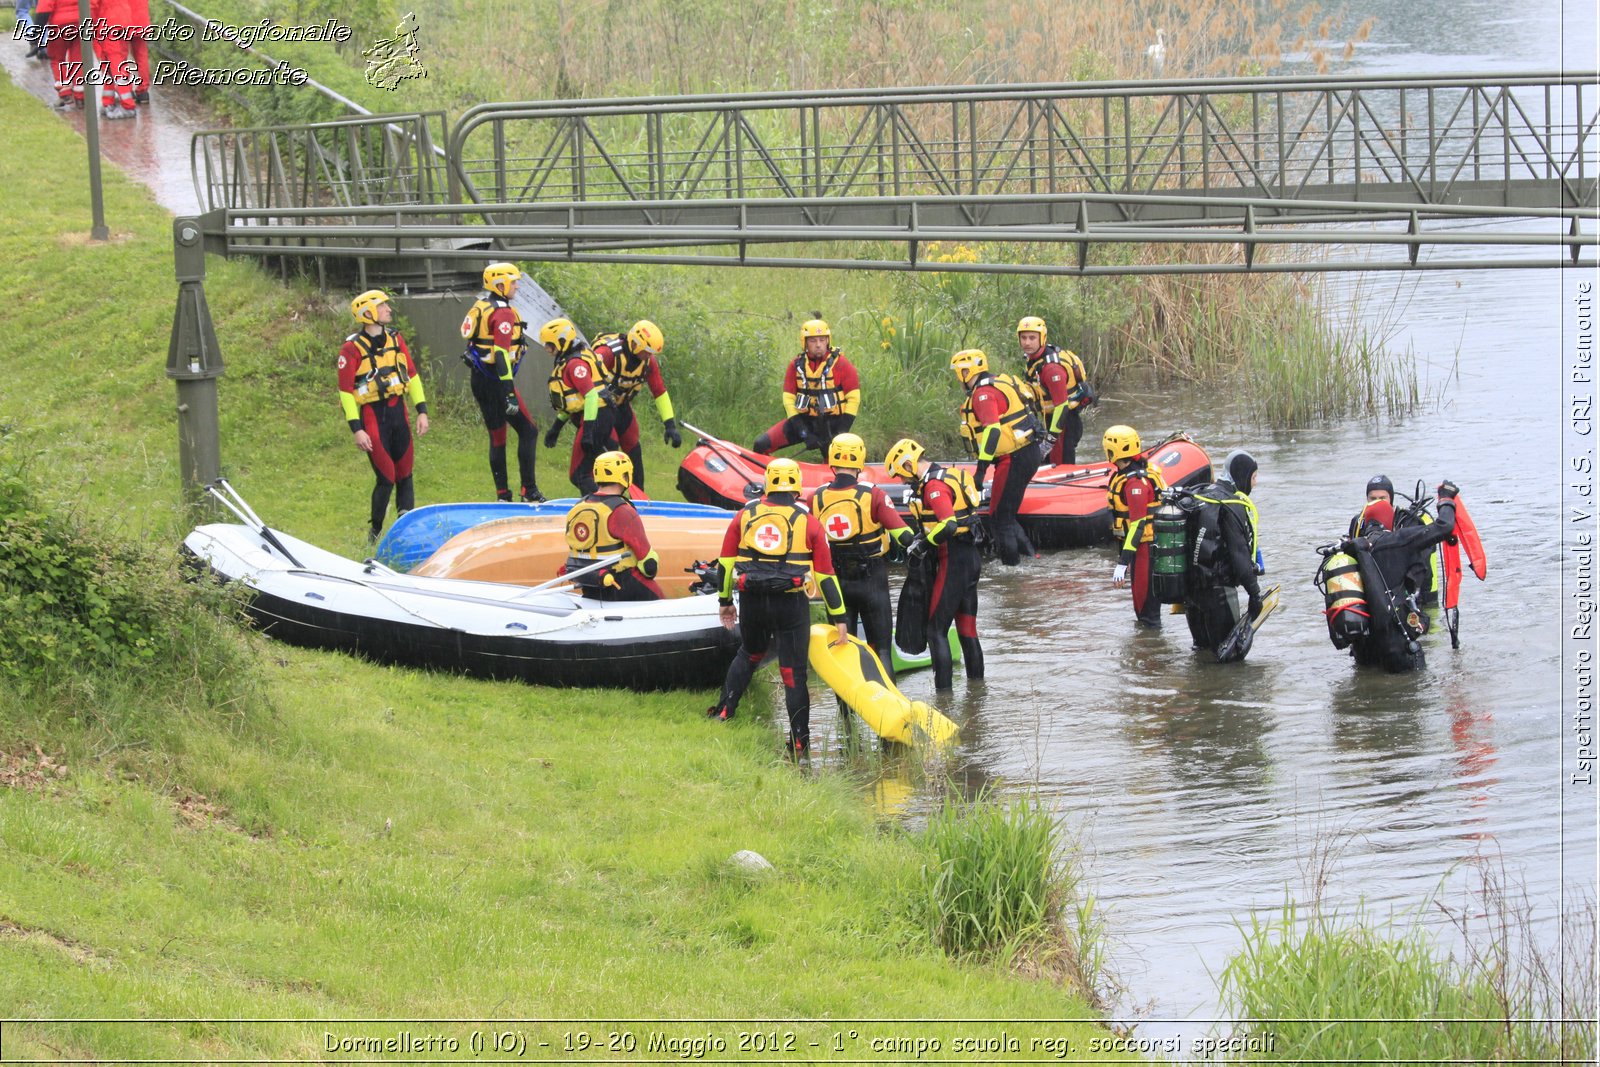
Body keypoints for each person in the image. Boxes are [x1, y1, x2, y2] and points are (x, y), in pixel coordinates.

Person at [707, 458, 848, 757]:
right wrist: (840, 618)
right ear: (797, 486)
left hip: (753, 599)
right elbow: (825, 576)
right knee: (793, 672)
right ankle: (799, 742)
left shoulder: (744, 516)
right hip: (791, 604)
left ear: (768, 483)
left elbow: (726, 564)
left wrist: (725, 602)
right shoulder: (809, 522)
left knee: (749, 653)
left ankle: (723, 712)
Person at [805, 432, 912, 677]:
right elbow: (903, 536)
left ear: (832, 460)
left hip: (835, 581)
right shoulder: (873, 495)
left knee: (842, 651)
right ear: (860, 461)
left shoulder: (815, 498)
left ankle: (845, 715)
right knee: (882, 649)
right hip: (872, 580)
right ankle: (887, 709)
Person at [885, 437, 985, 691]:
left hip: (953, 560)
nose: (903, 482)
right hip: (970, 558)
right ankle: (977, 693)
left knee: (935, 630)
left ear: (909, 465)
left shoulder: (933, 486)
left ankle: (943, 699)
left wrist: (924, 544)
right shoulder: (949, 475)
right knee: (966, 629)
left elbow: (949, 524)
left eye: (902, 475)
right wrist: (922, 536)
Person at [337, 290, 429, 542]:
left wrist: (422, 410)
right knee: (387, 477)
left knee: (405, 474)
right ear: (368, 313)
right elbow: (346, 392)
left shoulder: (396, 338)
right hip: (373, 416)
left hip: (399, 412)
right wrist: (357, 428)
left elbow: (412, 375)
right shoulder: (351, 349)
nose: (388, 308)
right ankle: (374, 533)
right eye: (382, 305)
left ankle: (405, 533)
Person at [1343, 482, 1462, 672]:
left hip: (1364, 652)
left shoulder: (1350, 548)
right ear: (1390, 521)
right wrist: (1446, 499)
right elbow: (1445, 527)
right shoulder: (1400, 540)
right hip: (1397, 647)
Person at [460, 262, 545, 503]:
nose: (516, 286)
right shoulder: (504, 313)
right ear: (500, 284)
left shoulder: (482, 304)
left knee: (498, 436)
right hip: (497, 382)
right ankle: (529, 490)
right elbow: (500, 354)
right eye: (513, 282)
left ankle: (502, 495)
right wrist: (508, 392)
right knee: (529, 431)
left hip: (480, 379)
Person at [951, 348, 1042, 566]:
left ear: (965, 372)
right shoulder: (999, 382)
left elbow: (992, 430)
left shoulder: (983, 395)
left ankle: (1012, 572)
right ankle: (1032, 558)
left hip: (1014, 459)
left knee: (999, 518)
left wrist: (981, 470)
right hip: (1027, 452)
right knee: (1005, 514)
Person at [1181, 450, 1265, 657]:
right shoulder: (1231, 504)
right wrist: (1255, 594)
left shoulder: (1202, 496)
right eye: (1253, 478)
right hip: (1219, 593)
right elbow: (1239, 555)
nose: (1254, 484)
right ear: (1242, 476)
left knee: (1201, 654)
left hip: (1191, 594)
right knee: (1229, 661)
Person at [581, 320, 682, 493]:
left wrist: (670, 424)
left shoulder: (649, 362)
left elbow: (659, 390)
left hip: (622, 407)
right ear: (635, 342)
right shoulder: (608, 353)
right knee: (611, 449)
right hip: (600, 410)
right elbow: (584, 378)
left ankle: (638, 498)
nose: (647, 356)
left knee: (634, 450)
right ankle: (605, 494)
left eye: (651, 353)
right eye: (646, 351)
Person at [558, 451, 663, 601]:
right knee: (659, 598)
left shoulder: (577, 507)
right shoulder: (622, 511)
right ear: (625, 476)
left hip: (589, 583)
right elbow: (648, 565)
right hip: (621, 583)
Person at [753, 319, 861, 457]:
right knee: (760, 445)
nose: (818, 345)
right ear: (804, 343)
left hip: (833, 424)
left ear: (828, 341)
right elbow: (789, 401)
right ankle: (772, 476)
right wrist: (804, 434)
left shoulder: (841, 364)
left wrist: (841, 433)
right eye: (813, 341)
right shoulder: (796, 366)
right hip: (804, 421)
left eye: (822, 340)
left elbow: (854, 398)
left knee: (834, 463)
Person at [1106, 424, 1166, 627]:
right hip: (1138, 548)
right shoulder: (1128, 474)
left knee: (1146, 612)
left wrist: (1122, 563)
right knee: (1141, 609)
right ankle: (1146, 649)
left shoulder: (1135, 484)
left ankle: (1151, 652)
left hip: (1146, 549)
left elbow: (1138, 526)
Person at [1351, 473, 1440, 607]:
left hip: (1417, 595)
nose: (1377, 502)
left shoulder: (1408, 522)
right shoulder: (1358, 523)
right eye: (1372, 498)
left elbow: (1422, 565)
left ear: (1391, 499)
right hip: (1374, 594)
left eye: (1382, 498)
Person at [1017, 316, 1093, 465]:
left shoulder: (1052, 369)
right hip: (1051, 421)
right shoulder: (1034, 360)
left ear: (1042, 338)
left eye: (1032, 338)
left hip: (1064, 424)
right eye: (1023, 337)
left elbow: (1062, 406)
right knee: (1045, 462)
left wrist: (1050, 440)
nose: (1027, 342)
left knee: (1060, 466)